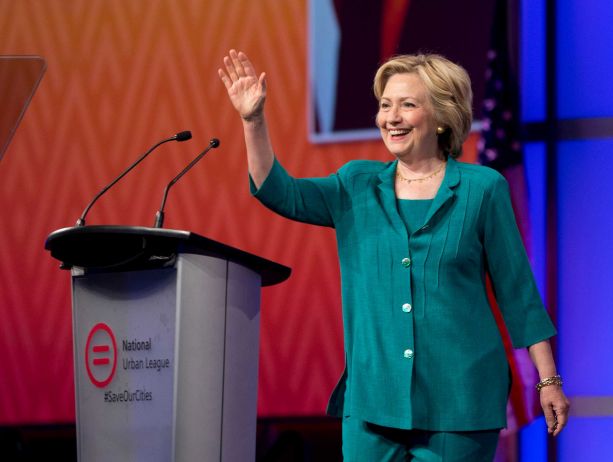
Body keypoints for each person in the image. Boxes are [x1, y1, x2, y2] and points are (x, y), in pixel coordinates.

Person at [218, 49, 570, 461]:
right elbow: (279, 192)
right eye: (385, 105)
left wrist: (548, 380)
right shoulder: (355, 184)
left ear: (441, 117)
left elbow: (518, 293)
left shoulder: (482, 188)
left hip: (460, 403)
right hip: (373, 403)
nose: (391, 117)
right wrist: (252, 121)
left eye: (407, 104)